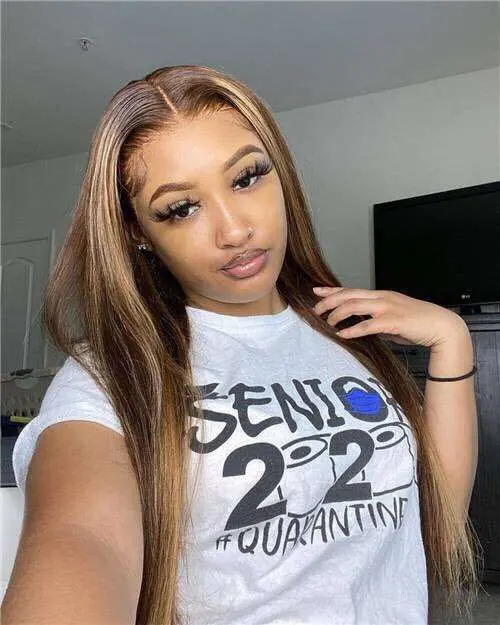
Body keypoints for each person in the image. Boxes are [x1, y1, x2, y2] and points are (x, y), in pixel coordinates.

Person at [4, 65, 479, 625]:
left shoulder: (346, 333)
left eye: (247, 177)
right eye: (182, 208)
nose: (234, 230)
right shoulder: (112, 372)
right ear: (138, 233)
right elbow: (84, 537)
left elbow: (430, 526)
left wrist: (453, 339)